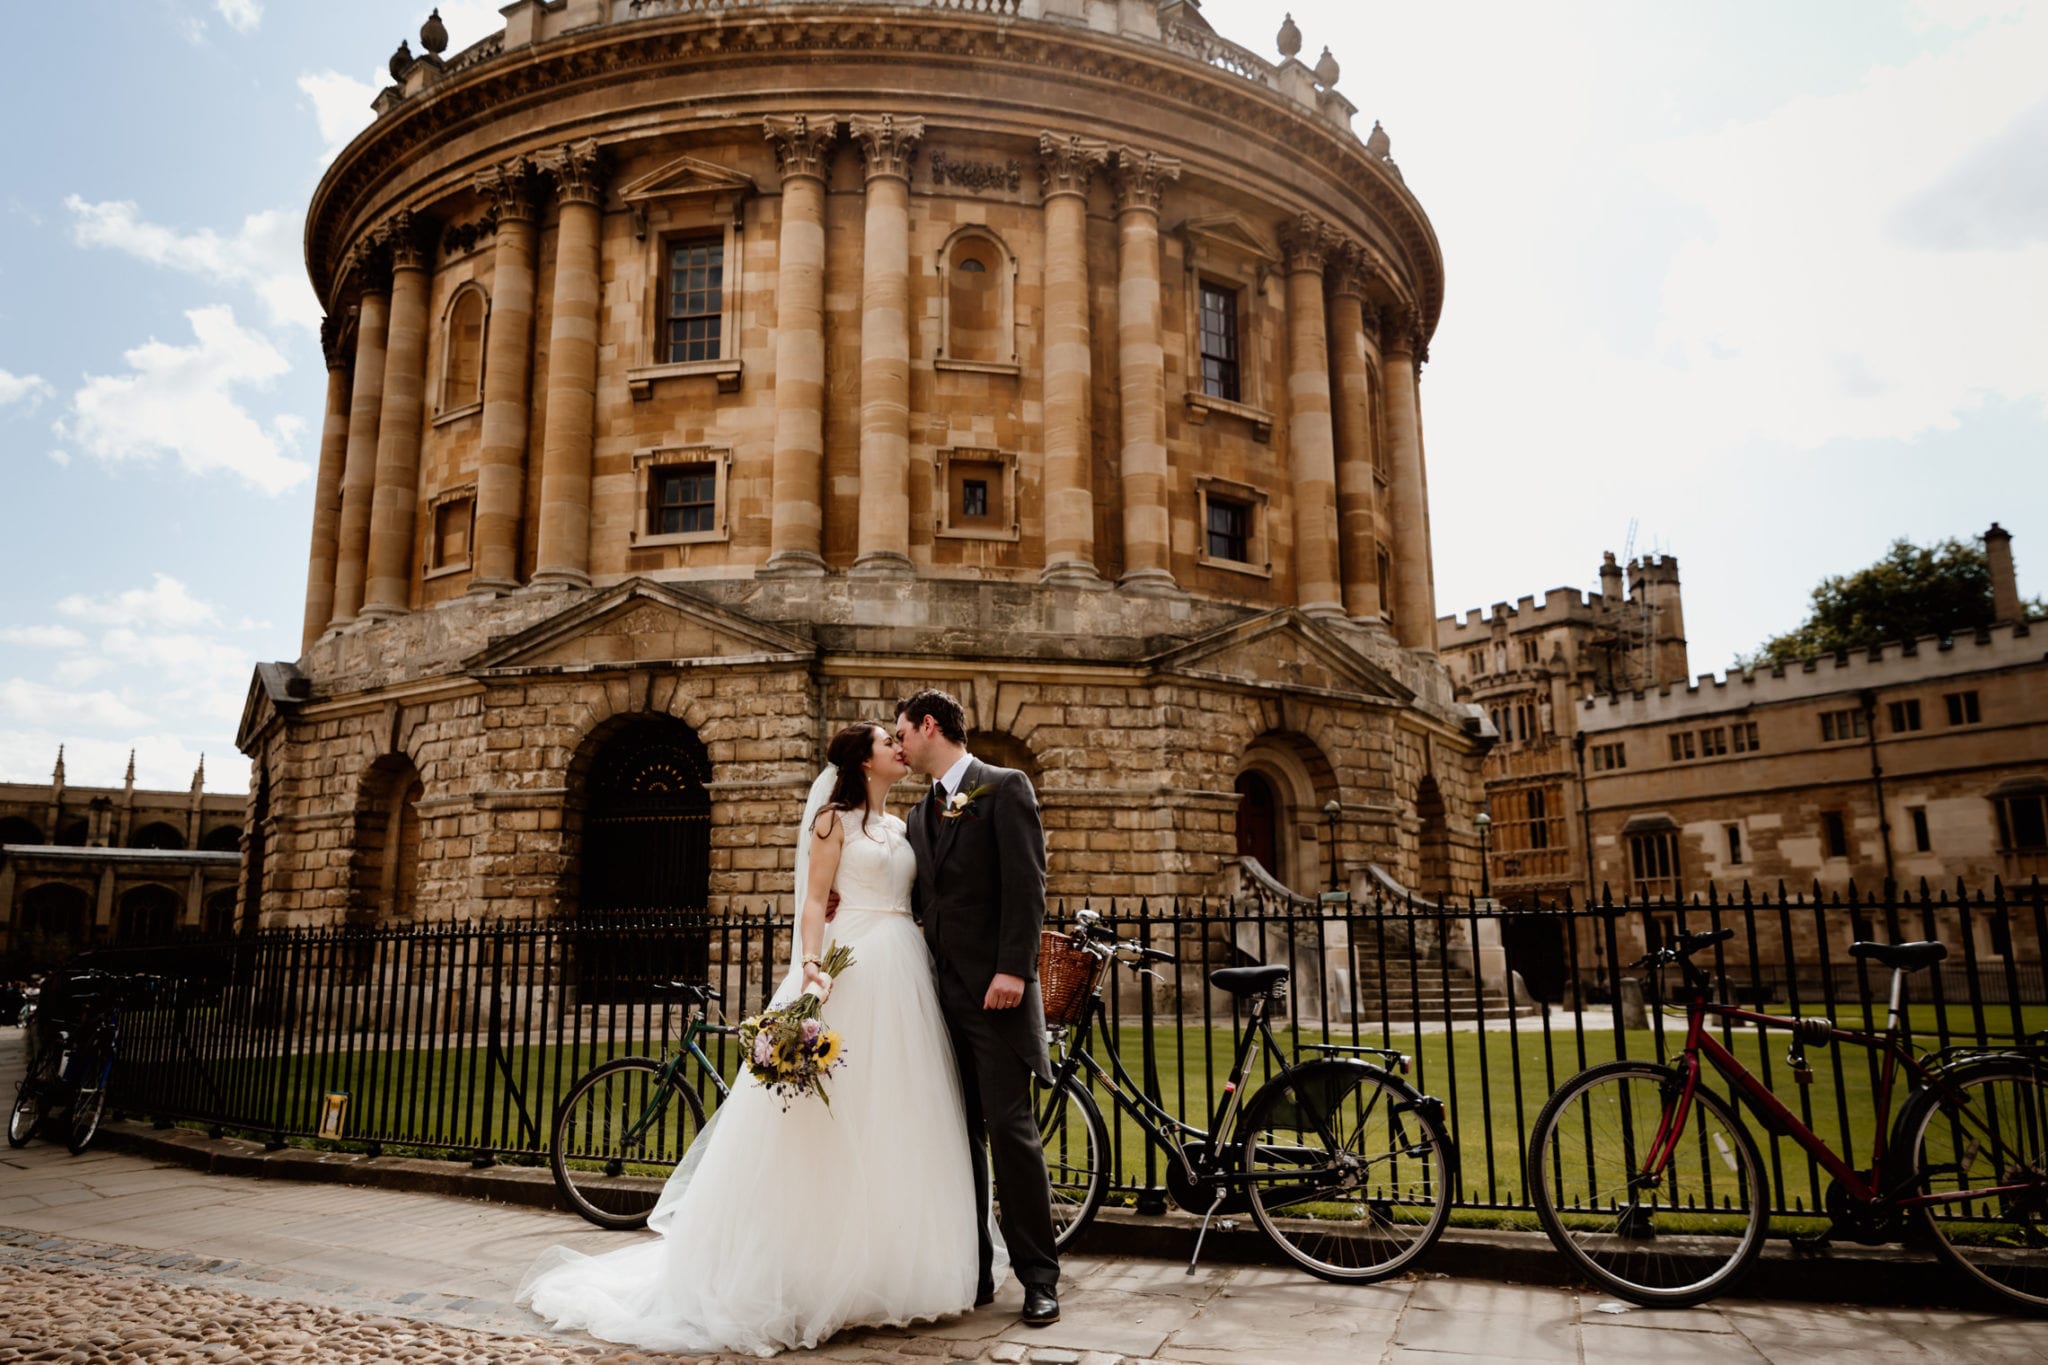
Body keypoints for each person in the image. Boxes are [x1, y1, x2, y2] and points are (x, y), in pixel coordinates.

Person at [519, 721, 1000, 1356]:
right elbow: (813, 901)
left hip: (905, 968)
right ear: (863, 760)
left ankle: (889, 1266)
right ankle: (807, 1270)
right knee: (823, 1120)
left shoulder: (904, 825)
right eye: (889, 743)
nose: (900, 748)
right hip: (849, 965)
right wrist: (810, 965)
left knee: (899, 1115)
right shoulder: (832, 821)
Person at [894, 688, 1061, 1327]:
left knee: (1012, 1135)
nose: (900, 744)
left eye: (902, 733)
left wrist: (1014, 970)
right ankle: (976, 1274)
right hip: (936, 997)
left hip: (994, 996)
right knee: (956, 1140)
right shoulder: (917, 814)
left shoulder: (1005, 786)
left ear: (929, 726)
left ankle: (1040, 1278)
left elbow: (1027, 886)